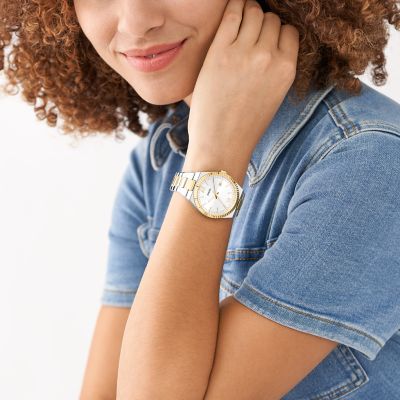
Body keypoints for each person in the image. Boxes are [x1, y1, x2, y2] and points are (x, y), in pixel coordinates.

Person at [1, 0, 400, 398]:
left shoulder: (371, 164)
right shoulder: (158, 163)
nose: (136, 23)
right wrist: (208, 150)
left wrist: (215, 157)